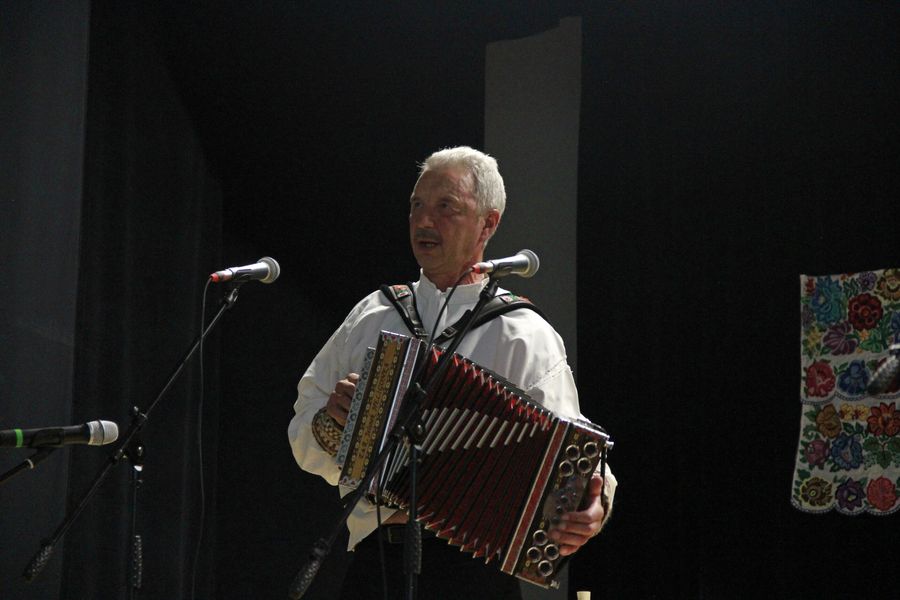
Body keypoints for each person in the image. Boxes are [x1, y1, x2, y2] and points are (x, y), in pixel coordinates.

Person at [288, 146, 616, 599]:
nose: (424, 221)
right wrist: (332, 422)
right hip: (376, 561)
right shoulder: (374, 314)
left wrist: (593, 507)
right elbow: (302, 427)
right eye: (416, 205)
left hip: (474, 572)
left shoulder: (523, 335)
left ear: (488, 224)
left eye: (446, 207)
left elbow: (578, 457)